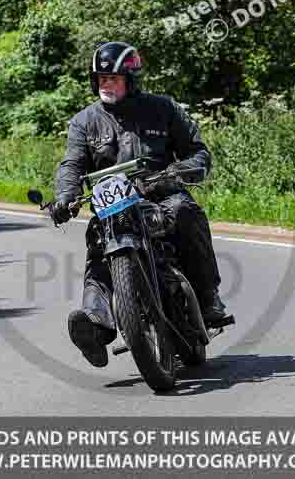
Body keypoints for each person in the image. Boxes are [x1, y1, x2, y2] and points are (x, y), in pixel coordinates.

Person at [54, 41, 232, 368]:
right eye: (101, 79)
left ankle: (208, 298)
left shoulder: (163, 109)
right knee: (97, 242)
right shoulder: (84, 121)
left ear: (131, 80)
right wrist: (65, 196)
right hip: (114, 207)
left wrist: (180, 170)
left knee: (185, 212)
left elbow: (198, 152)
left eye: (114, 78)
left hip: (161, 195)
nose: (106, 84)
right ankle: (95, 324)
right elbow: (72, 164)